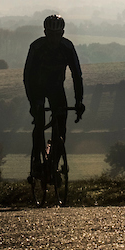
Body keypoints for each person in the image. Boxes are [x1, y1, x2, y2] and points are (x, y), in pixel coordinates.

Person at [23, 14, 85, 179]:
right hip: (37, 88)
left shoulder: (67, 47)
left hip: (56, 88)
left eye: (57, 35)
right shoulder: (36, 48)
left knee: (61, 123)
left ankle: (54, 164)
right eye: (51, 34)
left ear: (63, 33)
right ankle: (37, 160)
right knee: (40, 121)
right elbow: (27, 77)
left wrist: (79, 101)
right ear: (45, 32)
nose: (54, 39)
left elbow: (77, 76)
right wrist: (33, 102)